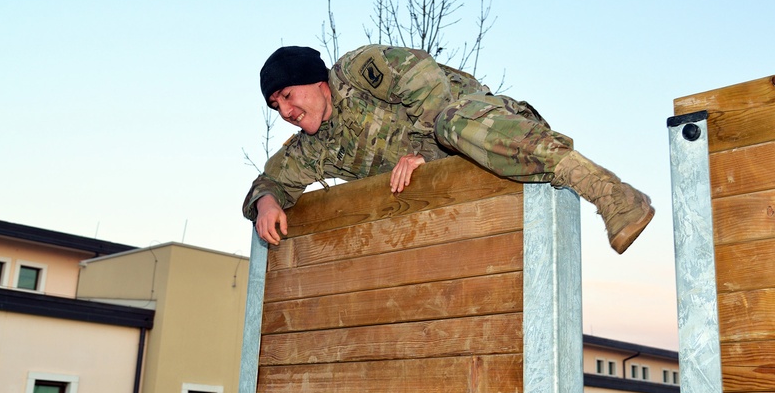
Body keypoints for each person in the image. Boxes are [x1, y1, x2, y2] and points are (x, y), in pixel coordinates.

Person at [243, 44, 654, 252]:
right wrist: (265, 203)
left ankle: (611, 193)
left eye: (288, 95)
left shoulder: (355, 72)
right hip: (458, 192)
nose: (286, 111)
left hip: (486, 129)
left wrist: (423, 150)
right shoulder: (313, 147)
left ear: (317, 82)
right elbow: (271, 179)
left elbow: (422, 77)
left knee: (449, 122)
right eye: (276, 105)